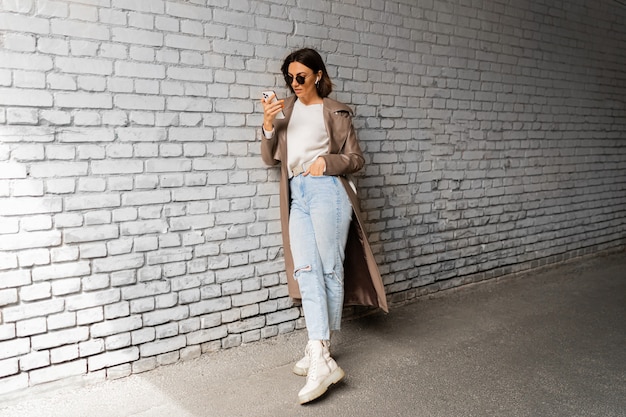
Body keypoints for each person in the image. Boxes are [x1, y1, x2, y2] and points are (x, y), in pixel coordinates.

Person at [259, 48, 388, 405]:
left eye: (301, 76)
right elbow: (271, 158)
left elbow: (356, 159)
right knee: (306, 268)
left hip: (328, 189)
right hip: (297, 193)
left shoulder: (335, 111)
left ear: (317, 75)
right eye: (289, 77)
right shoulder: (286, 110)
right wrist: (269, 125)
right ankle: (321, 353)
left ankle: (319, 351)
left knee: (329, 269)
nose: (294, 83)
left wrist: (326, 162)